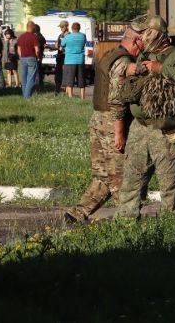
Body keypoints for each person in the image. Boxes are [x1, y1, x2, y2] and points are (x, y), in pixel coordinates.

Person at [115, 15, 175, 218]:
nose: (142, 37)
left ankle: (171, 227)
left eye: (145, 33)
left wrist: (162, 69)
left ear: (156, 34)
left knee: (169, 182)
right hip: (139, 126)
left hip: (164, 129)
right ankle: (125, 223)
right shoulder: (143, 54)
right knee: (131, 180)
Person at [64, 26, 143, 224]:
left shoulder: (109, 55)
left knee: (102, 177)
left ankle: (76, 215)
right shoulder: (124, 61)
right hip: (111, 123)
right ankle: (128, 223)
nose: (143, 50)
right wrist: (119, 132)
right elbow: (117, 99)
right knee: (120, 178)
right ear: (135, 41)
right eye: (143, 44)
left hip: (98, 119)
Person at [61, 22, 88, 101]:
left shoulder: (67, 37)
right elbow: (84, 43)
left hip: (69, 60)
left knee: (69, 80)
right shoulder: (83, 36)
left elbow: (62, 44)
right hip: (80, 60)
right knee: (81, 80)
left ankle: (70, 97)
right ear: (79, 28)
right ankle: (82, 98)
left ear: (72, 29)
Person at [16, 21, 42, 98]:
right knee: (31, 78)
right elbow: (37, 49)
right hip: (31, 58)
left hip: (23, 58)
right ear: (33, 27)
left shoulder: (21, 36)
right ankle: (26, 96)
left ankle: (25, 95)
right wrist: (38, 57)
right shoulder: (34, 37)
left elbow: (18, 49)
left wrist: (21, 57)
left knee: (23, 78)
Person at [54, 20, 69, 93]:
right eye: (60, 27)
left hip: (66, 57)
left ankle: (66, 91)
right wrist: (53, 46)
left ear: (66, 27)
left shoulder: (69, 35)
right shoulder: (60, 35)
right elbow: (57, 44)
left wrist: (59, 46)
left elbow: (67, 47)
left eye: (62, 27)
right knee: (58, 74)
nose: (61, 28)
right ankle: (57, 90)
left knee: (65, 74)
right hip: (59, 56)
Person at [32, 23, 47, 90]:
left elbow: (36, 49)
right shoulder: (42, 37)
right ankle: (40, 85)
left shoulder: (36, 37)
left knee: (36, 71)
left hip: (36, 56)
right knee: (39, 71)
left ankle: (37, 87)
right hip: (40, 56)